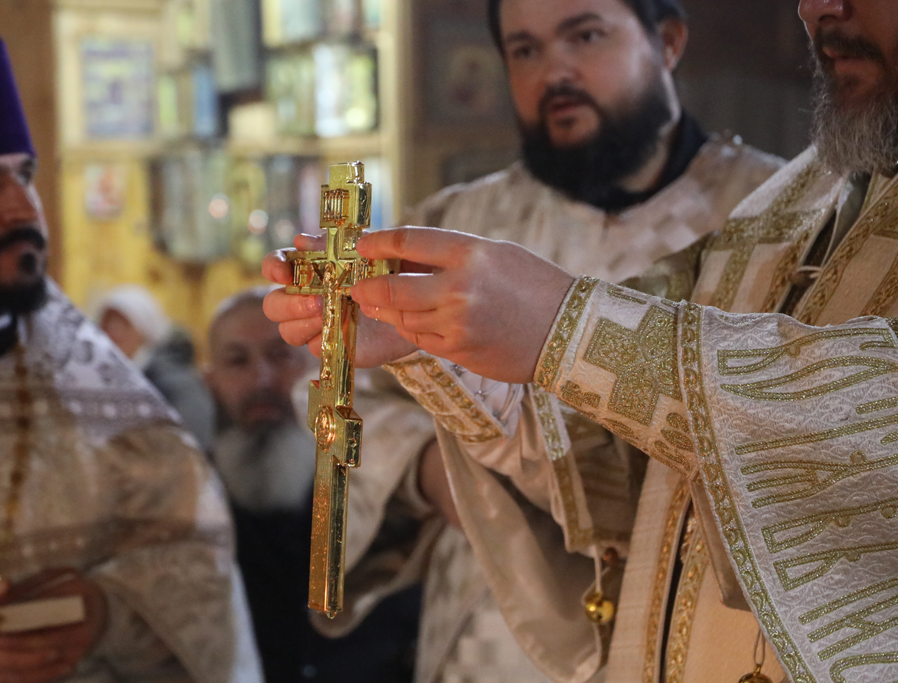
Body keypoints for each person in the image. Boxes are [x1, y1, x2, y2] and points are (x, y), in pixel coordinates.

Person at [266, 0, 898, 681]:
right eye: (525, 50)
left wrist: (563, 328)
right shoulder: (791, 204)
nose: (555, 72)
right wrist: (431, 362)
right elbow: (628, 462)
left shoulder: (745, 192)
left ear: (668, 43)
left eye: (586, 36)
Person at [0, 32, 262, 682]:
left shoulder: (107, 390)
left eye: (24, 175)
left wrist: (107, 610)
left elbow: (199, 568)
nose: (23, 206)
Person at [206, 287, 421, 683]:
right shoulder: (187, 495)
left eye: (280, 355)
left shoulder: (376, 476)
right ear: (211, 381)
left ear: (318, 367)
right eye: (238, 361)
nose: (262, 379)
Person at [96, 284, 215, 453]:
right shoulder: (102, 378)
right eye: (107, 322)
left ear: (145, 331)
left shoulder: (176, 385)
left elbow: (191, 447)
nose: (112, 332)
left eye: (123, 324)